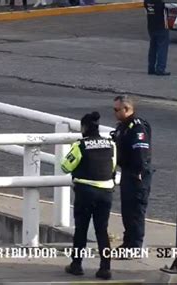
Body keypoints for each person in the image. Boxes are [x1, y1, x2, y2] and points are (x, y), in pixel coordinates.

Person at [61, 111, 116, 280]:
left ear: (84, 127)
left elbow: (65, 167)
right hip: (106, 192)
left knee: (81, 230)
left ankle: (76, 265)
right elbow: (113, 167)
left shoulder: (80, 145)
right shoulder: (110, 144)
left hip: (85, 192)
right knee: (102, 230)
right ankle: (105, 268)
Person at [111, 95, 152, 251]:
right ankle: (128, 242)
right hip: (128, 172)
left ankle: (135, 246)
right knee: (127, 211)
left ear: (127, 109)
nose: (114, 113)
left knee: (136, 212)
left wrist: (139, 172)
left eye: (116, 109)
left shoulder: (137, 127)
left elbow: (141, 151)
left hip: (138, 174)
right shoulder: (123, 126)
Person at [144, 0, 173, 76]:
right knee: (162, 47)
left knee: (153, 47)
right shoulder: (162, 1)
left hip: (151, 26)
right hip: (162, 26)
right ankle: (160, 69)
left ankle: (151, 68)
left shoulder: (146, 1)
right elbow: (172, 5)